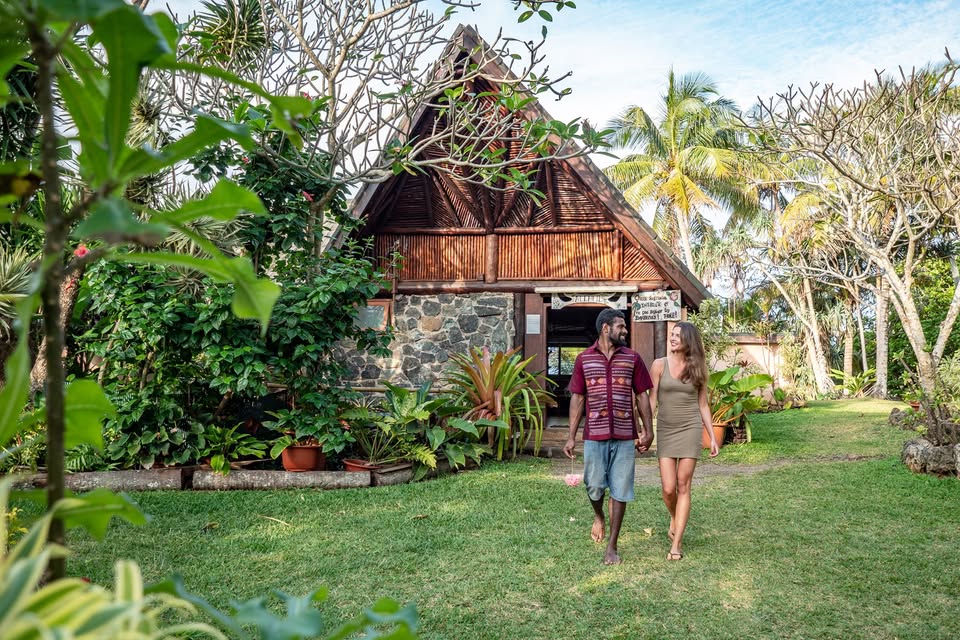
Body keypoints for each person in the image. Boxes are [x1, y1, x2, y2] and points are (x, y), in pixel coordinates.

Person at [563, 308, 654, 565]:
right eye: (620, 326)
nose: (625, 330)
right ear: (606, 328)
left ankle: (612, 546)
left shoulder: (633, 358)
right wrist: (571, 436)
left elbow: (642, 396)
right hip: (594, 434)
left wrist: (648, 431)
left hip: (625, 435)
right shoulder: (583, 359)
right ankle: (599, 515)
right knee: (594, 486)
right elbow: (578, 398)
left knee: (620, 489)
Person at [649, 321, 719, 561]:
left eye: (678, 335)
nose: (672, 338)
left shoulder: (697, 368)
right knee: (668, 489)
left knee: (683, 485)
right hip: (666, 429)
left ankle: (676, 544)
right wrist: (645, 428)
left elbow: (703, 405)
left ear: (688, 340)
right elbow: (652, 399)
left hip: (690, 428)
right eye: (672, 334)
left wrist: (712, 436)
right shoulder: (659, 365)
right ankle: (674, 516)